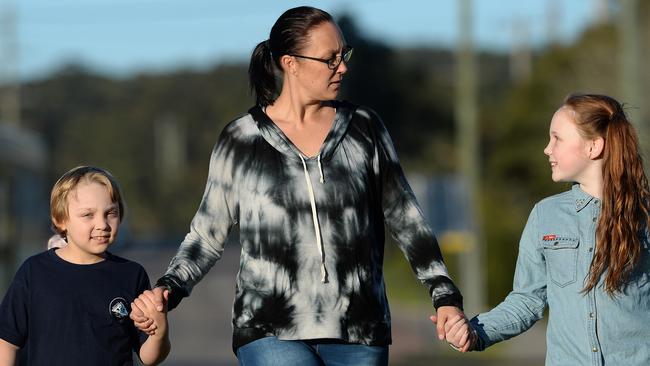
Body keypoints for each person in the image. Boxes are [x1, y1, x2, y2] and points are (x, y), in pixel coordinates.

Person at [131, 6, 465, 365]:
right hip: (268, 328)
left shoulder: (365, 129)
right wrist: (170, 287)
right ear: (290, 63)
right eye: (330, 59)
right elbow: (207, 235)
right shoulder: (241, 139)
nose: (343, 67)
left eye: (343, 54)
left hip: (360, 330)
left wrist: (445, 296)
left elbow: (406, 220)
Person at [441, 93, 650, 364]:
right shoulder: (545, 215)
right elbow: (526, 301)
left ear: (593, 147)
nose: (547, 149)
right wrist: (474, 331)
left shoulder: (644, 214)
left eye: (557, 139)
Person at [0, 166, 171, 366]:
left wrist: (160, 331)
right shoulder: (34, 272)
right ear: (61, 220)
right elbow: (7, 342)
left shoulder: (131, 275)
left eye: (110, 213)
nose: (102, 224)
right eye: (88, 215)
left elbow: (149, 356)